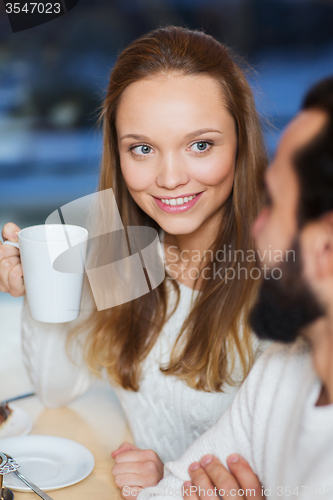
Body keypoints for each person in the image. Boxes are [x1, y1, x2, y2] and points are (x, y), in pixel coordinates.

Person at [0, 26, 268, 495]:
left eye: (200, 145)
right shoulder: (122, 247)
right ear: (118, 152)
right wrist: (38, 291)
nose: (169, 177)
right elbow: (56, 391)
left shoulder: (288, 281)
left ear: (241, 142)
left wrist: (168, 475)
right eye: (142, 148)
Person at [136, 76, 333, 500]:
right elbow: (168, 491)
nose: (256, 229)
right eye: (142, 147)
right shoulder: (283, 372)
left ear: (326, 245)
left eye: (275, 205)